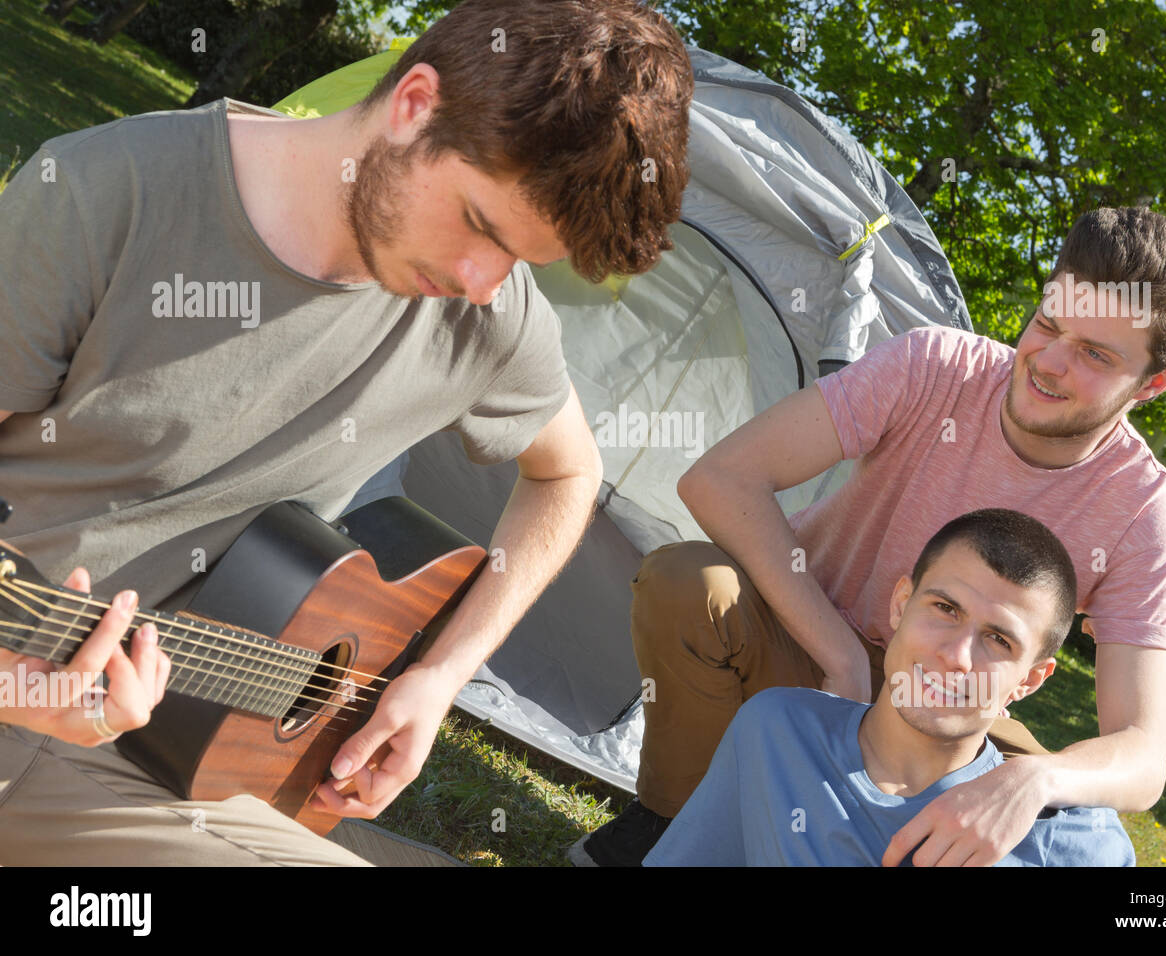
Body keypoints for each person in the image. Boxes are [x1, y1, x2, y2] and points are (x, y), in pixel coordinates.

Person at [0, 0, 693, 865]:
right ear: (413, 105)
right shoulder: (111, 190)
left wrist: (438, 678)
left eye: (523, 261)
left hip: (216, 756)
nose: (483, 284)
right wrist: (15, 690)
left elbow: (569, 476)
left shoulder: (484, 314)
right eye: (481, 226)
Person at [573, 206, 1166, 866]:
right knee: (689, 584)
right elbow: (720, 479)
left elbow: (1142, 755)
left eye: (1094, 354)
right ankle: (671, 819)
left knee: (1082, 839)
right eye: (1048, 324)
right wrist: (842, 657)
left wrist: (1036, 778)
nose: (1048, 363)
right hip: (808, 636)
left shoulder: (1144, 513)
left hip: (959, 696)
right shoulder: (936, 364)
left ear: (1155, 383)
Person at [644, 509, 1135, 867]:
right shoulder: (776, 731)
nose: (956, 656)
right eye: (945, 609)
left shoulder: (1072, 840)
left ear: (1028, 680)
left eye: (998, 640)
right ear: (901, 604)